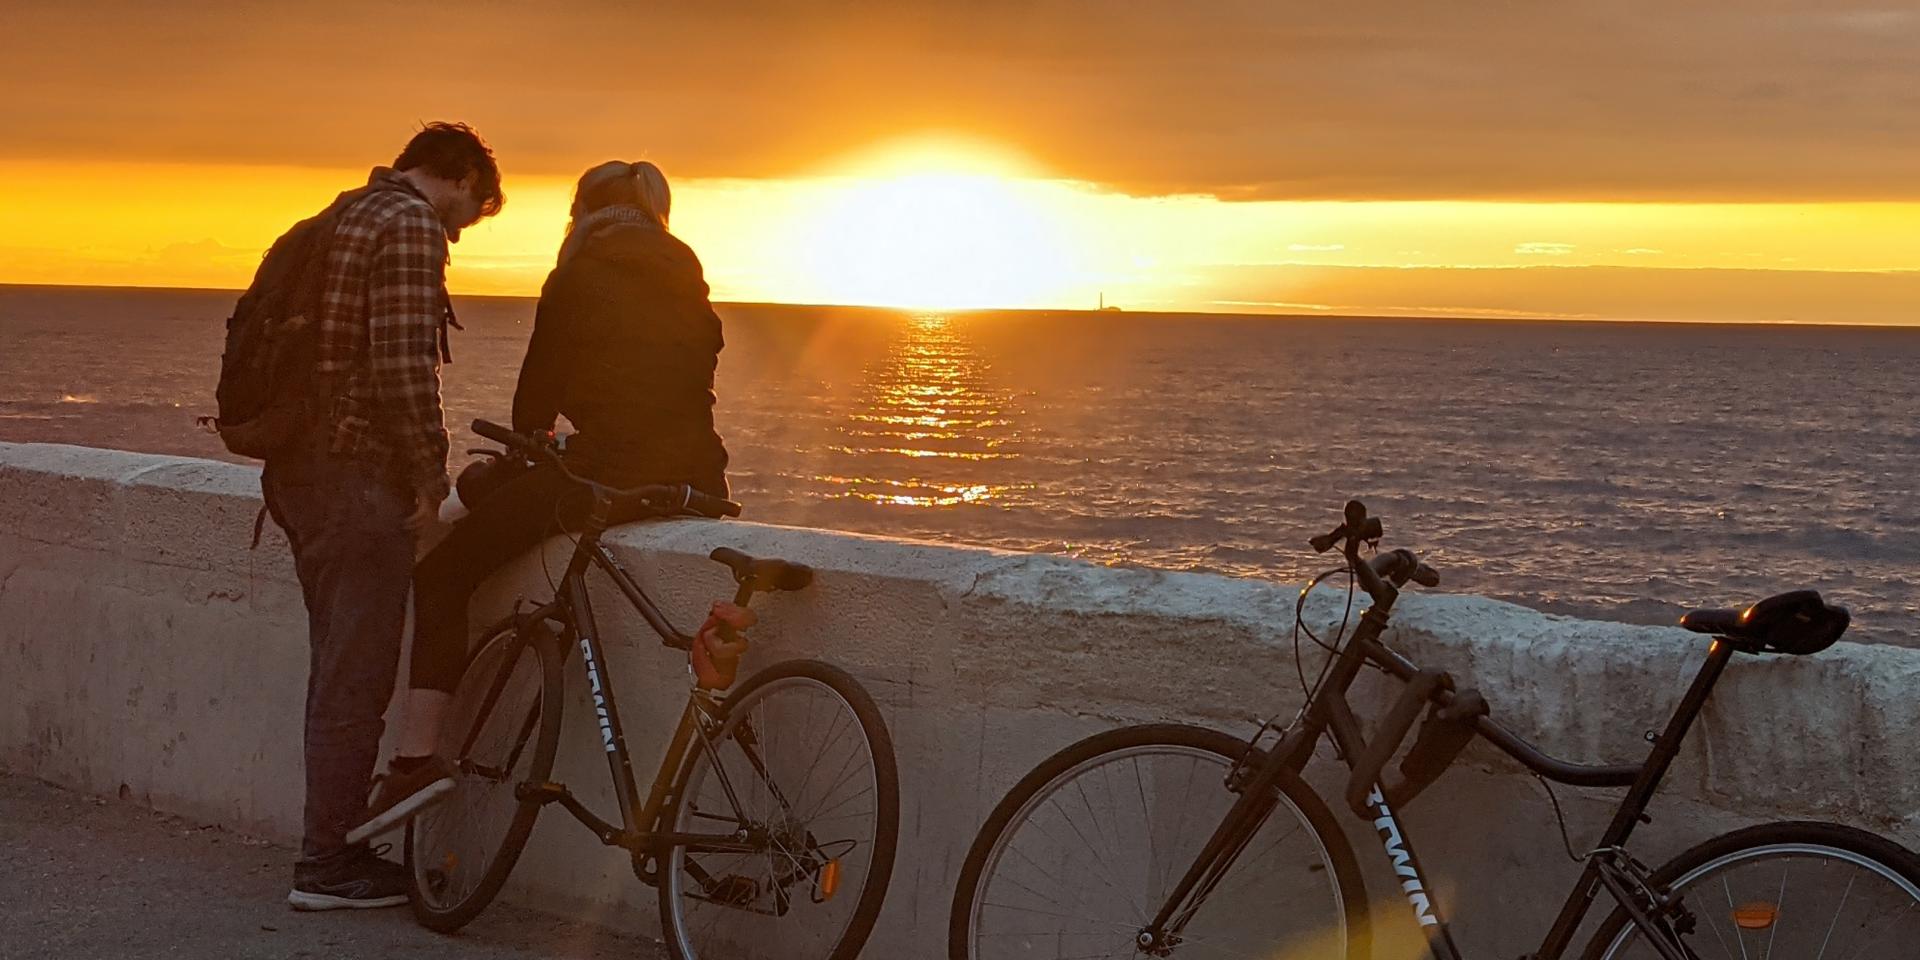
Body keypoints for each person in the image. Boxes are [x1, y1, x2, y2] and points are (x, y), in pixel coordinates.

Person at [348, 159, 730, 845]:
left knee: (440, 576)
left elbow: (534, 412)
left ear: (581, 213)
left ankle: (413, 763)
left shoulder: (577, 275)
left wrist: (515, 456)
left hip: (605, 476)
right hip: (697, 479)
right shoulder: (687, 272)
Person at [263, 122, 503, 911]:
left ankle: (326, 848)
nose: (459, 233)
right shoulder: (407, 225)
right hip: (355, 477)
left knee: (335, 667)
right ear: (460, 176)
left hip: (298, 474)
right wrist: (431, 476)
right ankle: (326, 866)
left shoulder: (338, 216)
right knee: (355, 679)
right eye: (469, 214)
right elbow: (404, 369)